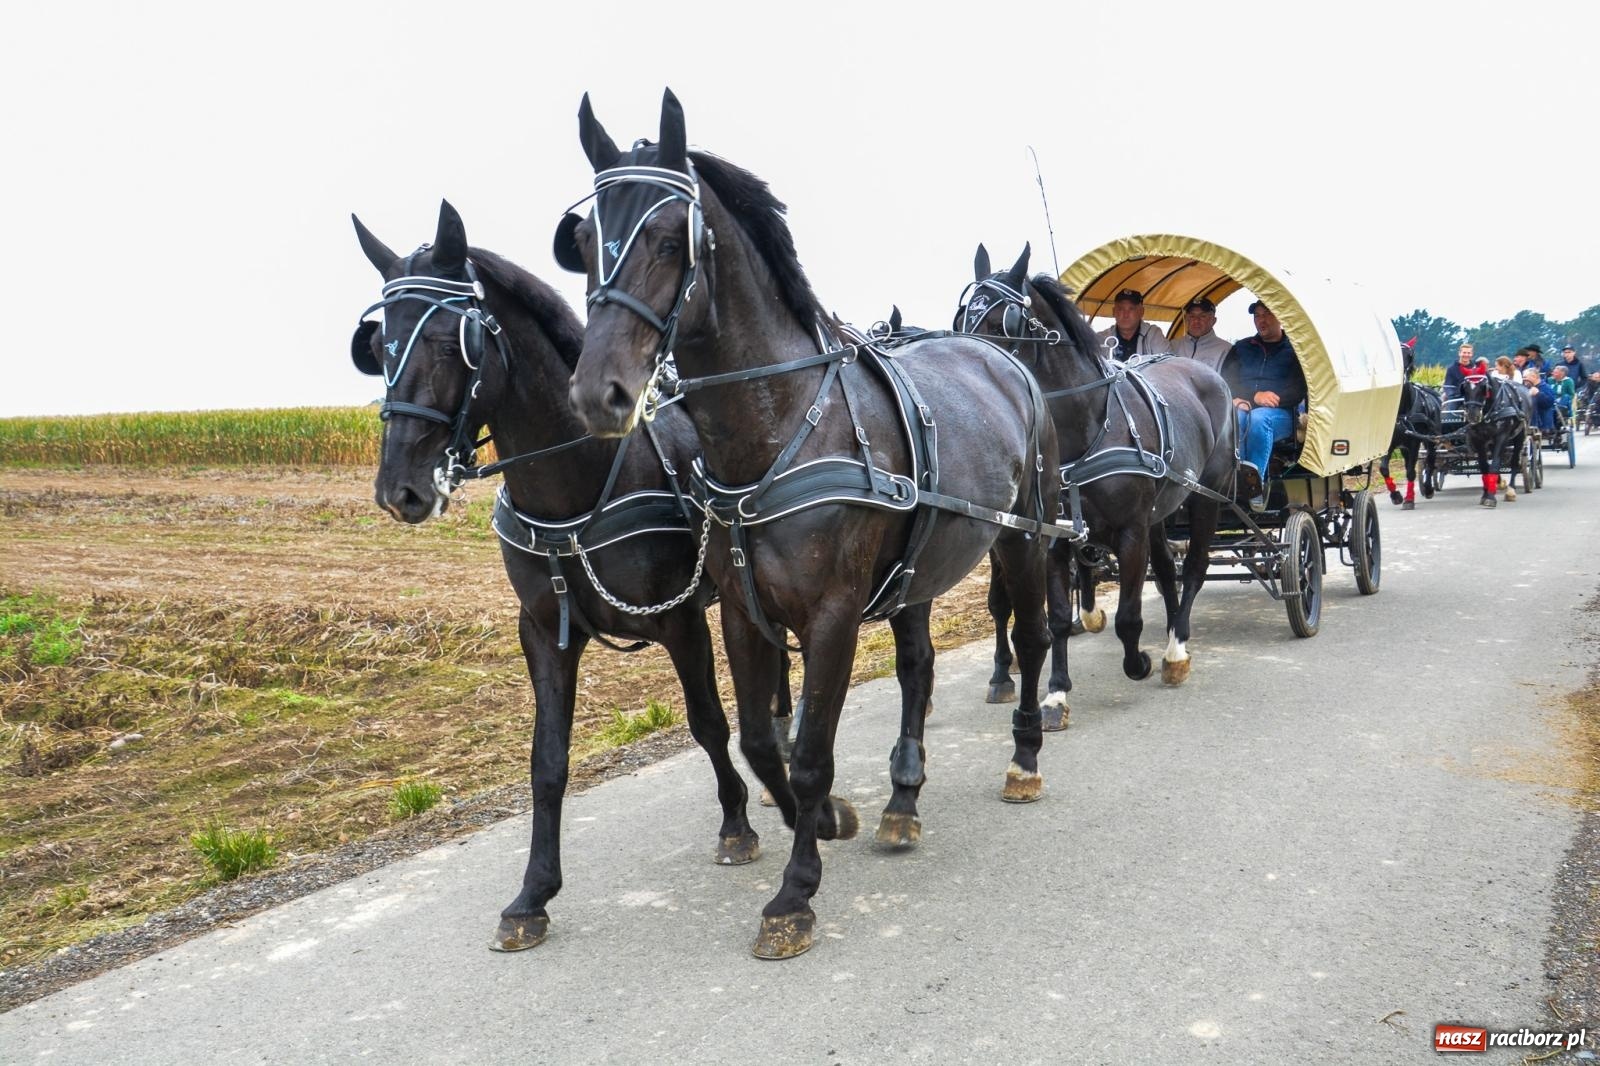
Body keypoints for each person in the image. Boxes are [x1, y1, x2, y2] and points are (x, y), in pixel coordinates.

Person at [1222, 300, 1306, 510]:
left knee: (1259, 419)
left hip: (1283, 413)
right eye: (1257, 315)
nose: (1261, 320)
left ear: (1280, 316)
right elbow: (1226, 381)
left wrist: (1271, 398)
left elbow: (1299, 389)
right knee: (1236, 418)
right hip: (1243, 407)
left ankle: (1255, 486)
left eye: (1267, 314)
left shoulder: (1295, 350)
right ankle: (1233, 480)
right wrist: (1250, 397)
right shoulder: (1241, 348)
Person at [1093, 288, 1171, 362]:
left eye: (1131, 309)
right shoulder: (1102, 338)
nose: (1125, 315)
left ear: (1141, 312)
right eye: (1120, 309)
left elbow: (1168, 365)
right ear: (1113, 312)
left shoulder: (1153, 335)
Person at [1171, 296, 1230, 368]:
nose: (1196, 321)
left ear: (1213, 320)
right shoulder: (1173, 346)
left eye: (1203, 316)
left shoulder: (1226, 350)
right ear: (1186, 319)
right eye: (1192, 316)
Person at [1525, 369, 1557, 435]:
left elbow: (1549, 403)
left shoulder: (1546, 387)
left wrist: (1538, 394)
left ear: (1533, 376)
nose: (1523, 379)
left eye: (1525, 377)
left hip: (1543, 423)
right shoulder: (1526, 388)